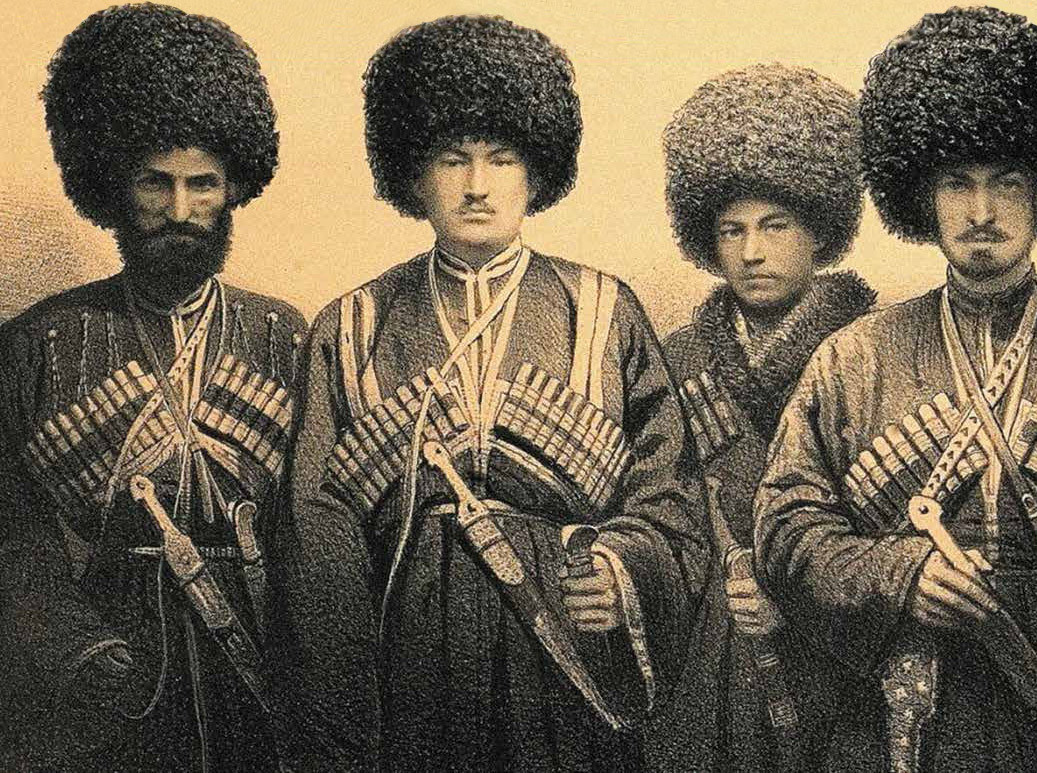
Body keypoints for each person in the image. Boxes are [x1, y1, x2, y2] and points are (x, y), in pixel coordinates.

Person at [264, 14, 708, 771]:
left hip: (563, 641)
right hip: (405, 654)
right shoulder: (353, 323)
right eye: (452, 160)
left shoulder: (604, 310)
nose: (476, 186)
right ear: (412, 175)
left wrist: (621, 568)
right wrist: (346, 702)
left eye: (500, 159)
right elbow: (315, 528)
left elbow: (670, 494)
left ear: (536, 172)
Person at [754, 7, 1037, 772]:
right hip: (899, 709)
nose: (980, 213)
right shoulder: (853, 358)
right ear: (921, 194)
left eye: (1006, 181)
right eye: (956, 183)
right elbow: (785, 530)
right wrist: (899, 573)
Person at [0, 5, 305, 771]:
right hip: (113, 671)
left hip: (266, 652)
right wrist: (78, 648)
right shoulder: (36, 345)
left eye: (202, 184)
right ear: (111, 186)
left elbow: (319, 535)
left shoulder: (285, 335)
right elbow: (15, 539)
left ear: (233, 188)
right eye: (153, 182)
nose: (179, 210)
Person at [651, 62, 875, 771]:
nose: (751, 252)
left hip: (841, 661)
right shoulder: (674, 360)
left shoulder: (873, 351)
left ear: (819, 230)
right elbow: (650, 515)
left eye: (774, 226)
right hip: (705, 658)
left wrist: (793, 600)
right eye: (731, 230)